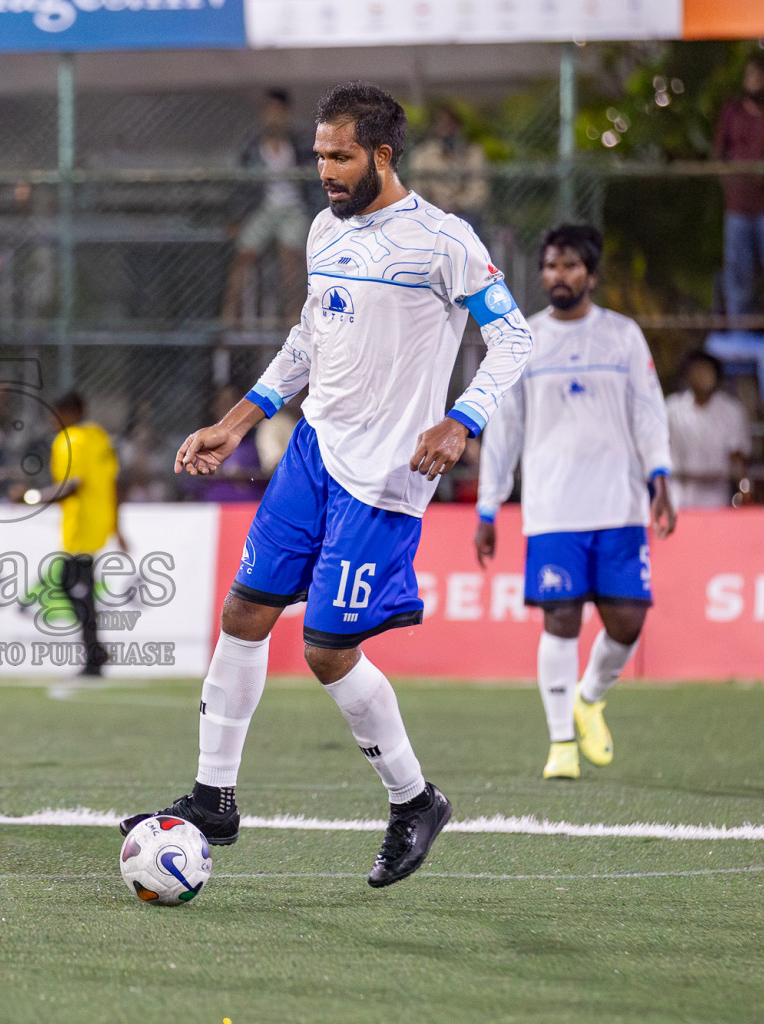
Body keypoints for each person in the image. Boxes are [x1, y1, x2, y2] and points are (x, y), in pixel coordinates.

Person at [121, 83, 533, 888]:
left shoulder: (444, 242)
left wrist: (464, 419)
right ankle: (213, 799)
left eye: (340, 156)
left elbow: (513, 338)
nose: (325, 173)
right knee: (244, 611)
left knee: (326, 648)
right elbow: (310, 337)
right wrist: (239, 420)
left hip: (385, 476)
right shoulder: (322, 232)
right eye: (318, 157)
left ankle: (415, 801)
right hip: (312, 454)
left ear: (382, 154)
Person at [474, 224, 676, 781]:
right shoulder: (524, 340)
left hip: (620, 504)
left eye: (568, 266)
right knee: (560, 619)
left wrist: (660, 475)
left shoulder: (623, 336)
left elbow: (648, 410)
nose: (556, 276)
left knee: (627, 622)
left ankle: (590, 698)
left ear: (590, 272)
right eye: (549, 267)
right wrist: (488, 507)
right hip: (553, 506)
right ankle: (561, 741)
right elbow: (504, 430)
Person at [222, 89, 322, 326]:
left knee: (290, 257)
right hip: (263, 209)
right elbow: (242, 187)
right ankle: (230, 313)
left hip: (292, 209)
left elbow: (313, 185)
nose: (273, 118)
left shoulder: (299, 145)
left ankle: (293, 314)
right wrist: (238, 217)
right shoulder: (252, 147)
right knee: (244, 254)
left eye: (278, 112)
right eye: (269, 112)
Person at [43, 392, 123, 676]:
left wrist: (35, 497)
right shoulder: (99, 436)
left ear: (68, 413)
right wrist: (117, 526)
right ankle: (95, 650)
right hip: (99, 520)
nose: (51, 420)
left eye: (55, 413)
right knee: (74, 584)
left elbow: (71, 483)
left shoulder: (70, 439)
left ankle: (93, 654)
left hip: (80, 523)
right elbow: (113, 480)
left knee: (76, 586)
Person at [712, 53, 764, 319]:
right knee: (737, 271)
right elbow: (718, 156)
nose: (755, 81)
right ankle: (740, 329)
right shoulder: (732, 112)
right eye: (751, 75)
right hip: (739, 207)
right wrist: (732, 182)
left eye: (761, 75)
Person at [666, 351, 751, 509]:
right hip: (678, 496)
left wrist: (744, 488)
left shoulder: (731, 410)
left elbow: (737, 455)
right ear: (687, 375)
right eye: (696, 370)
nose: (702, 375)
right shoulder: (671, 408)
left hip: (717, 498)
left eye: (706, 370)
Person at [408, 104, 490, 227]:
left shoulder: (473, 153)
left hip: (465, 213)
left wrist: (457, 205)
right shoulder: (422, 155)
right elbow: (417, 189)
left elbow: (479, 190)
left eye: (451, 125)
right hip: (432, 212)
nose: (447, 130)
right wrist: (434, 208)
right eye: (441, 125)